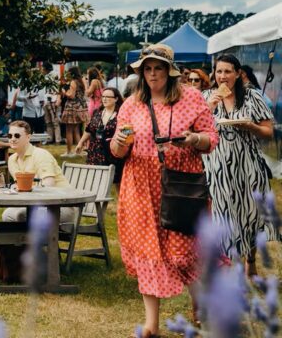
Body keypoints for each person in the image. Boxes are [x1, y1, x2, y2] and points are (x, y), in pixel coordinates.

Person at [109, 43, 217, 338]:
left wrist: (193, 139)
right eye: (148, 68)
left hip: (180, 184)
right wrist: (119, 141)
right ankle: (151, 325)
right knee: (148, 252)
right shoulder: (131, 104)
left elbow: (211, 139)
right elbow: (117, 152)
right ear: (141, 72)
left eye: (158, 68)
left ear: (170, 72)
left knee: (184, 252)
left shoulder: (191, 98)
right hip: (139, 187)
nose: (153, 74)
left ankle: (201, 305)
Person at [203, 54, 278, 274]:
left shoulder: (252, 96)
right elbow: (195, 127)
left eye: (228, 71)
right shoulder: (206, 96)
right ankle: (226, 266)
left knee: (251, 214)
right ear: (214, 73)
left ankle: (250, 263)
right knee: (221, 215)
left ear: (238, 74)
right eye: (219, 71)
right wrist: (209, 106)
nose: (223, 76)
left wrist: (251, 127)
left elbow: (268, 131)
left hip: (248, 166)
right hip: (216, 168)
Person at [2, 121, 76, 224]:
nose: (13, 139)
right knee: (7, 214)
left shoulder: (41, 155)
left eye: (17, 135)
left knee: (22, 214)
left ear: (28, 137)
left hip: (60, 205)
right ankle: (20, 240)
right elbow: (20, 187)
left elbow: (48, 185)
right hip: (34, 204)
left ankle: (34, 240)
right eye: (10, 135)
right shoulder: (12, 160)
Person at [76, 87, 125, 183]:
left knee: (117, 181)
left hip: (112, 153)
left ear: (116, 99)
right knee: (95, 181)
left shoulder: (121, 115)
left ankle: (121, 198)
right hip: (95, 152)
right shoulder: (97, 113)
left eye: (108, 97)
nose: (105, 99)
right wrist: (80, 143)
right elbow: (89, 129)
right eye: (103, 96)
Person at [60, 67, 88, 156]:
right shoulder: (81, 81)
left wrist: (64, 91)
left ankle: (69, 152)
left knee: (68, 130)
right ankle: (79, 151)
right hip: (80, 107)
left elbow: (71, 96)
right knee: (76, 130)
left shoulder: (73, 82)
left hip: (71, 107)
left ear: (71, 73)